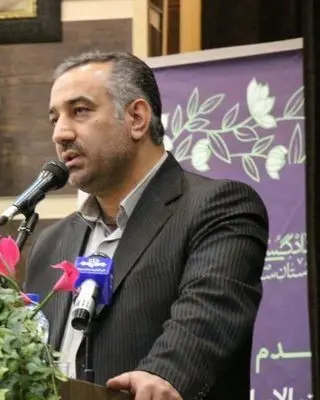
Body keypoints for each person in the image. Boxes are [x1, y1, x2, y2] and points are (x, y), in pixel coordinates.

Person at [23, 51, 269, 400]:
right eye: (54, 118)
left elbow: (210, 313)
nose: (60, 133)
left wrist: (162, 374)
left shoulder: (218, 207)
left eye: (79, 110)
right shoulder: (51, 243)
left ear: (136, 118)